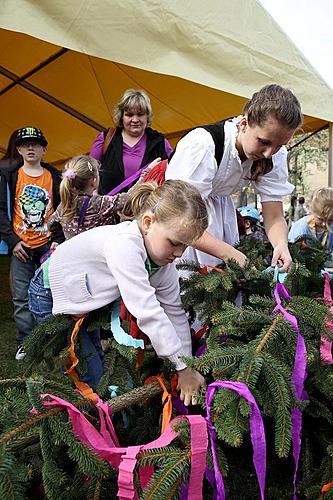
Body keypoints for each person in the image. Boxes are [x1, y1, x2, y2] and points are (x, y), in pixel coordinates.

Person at [29, 180, 207, 404]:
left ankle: (106, 412)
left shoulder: (163, 264)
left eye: (186, 246)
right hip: (49, 293)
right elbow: (148, 312)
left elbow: (174, 313)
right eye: (174, 243)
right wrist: (182, 369)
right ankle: (98, 424)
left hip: (84, 300)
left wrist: (186, 364)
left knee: (95, 357)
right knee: (90, 372)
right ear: (148, 222)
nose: (179, 254)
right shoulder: (124, 245)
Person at [165, 84, 303, 272]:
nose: (269, 153)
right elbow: (180, 218)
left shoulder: (273, 155)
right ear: (244, 124)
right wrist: (230, 254)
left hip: (222, 215)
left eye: (279, 145)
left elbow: (274, 213)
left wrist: (280, 245)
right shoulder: (203, 145)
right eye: (263, 142)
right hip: (187, 220)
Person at [0, 126, 63, 360]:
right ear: (18, 149)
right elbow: (1, 211)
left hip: (47, 246)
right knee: (20, 297)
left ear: (44, 148)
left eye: (35, 144)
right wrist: (13, 241)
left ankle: (51, 339)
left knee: (51, 293)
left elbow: (63, 209)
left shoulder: (53, 177)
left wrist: (57, 239)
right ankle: (26, 341)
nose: (30, 148)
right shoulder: (10, 176)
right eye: (25, 144)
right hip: (21, 247)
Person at [89, 89, 172, 195]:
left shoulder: (160, 143)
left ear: (148, 116)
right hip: (108, 209)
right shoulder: (106, 139)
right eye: (129, 115)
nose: (135, 119)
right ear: (121, 116)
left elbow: (173, 177)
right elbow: (89, 173)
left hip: (147, 210)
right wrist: (95, 198)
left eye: (140, 114)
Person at [48, 155, 128, 239]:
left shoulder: (64, 206)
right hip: (101, 250)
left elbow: (51, 225)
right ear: (94, 181)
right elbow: (129, 197)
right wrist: (142, 177)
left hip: (75, 251)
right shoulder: (100, 203)